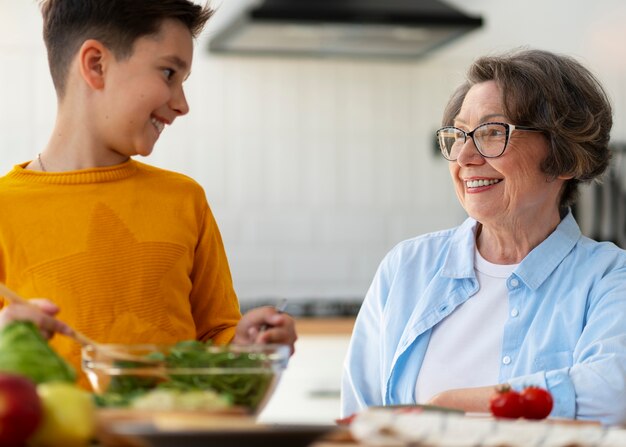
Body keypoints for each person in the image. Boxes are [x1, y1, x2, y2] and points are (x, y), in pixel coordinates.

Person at [0, 0, 296, 388]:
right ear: (96, 65)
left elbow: (214, 341)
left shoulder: (184, 200)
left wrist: (246, 347)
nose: (182, 104)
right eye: (169, 73)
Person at [341, 49, 626, 426]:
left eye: (492, 133)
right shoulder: (407, 267)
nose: (464, 156)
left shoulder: (609, 278)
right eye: (458, 135)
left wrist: (452, 405)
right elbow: (359, 419)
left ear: (565, 158)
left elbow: (612, 395)